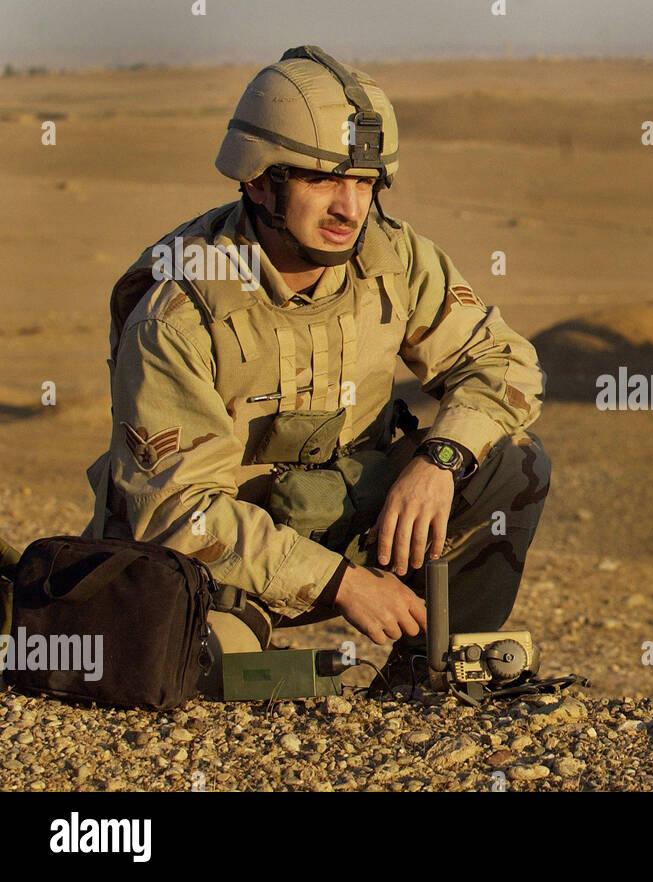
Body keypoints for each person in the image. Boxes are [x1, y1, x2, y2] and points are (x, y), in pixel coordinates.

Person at [82, 46, 549, 694]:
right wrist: (340, 584)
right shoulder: (179, 310)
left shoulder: (394, 257)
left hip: (350, 515)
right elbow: (178, 510)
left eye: (364, 183)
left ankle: (430, 677)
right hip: (222, 561)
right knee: (199, 669)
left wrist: (441, 458)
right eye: (321, 179)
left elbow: (504, 363)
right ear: (257, 180)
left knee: (509, 460)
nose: (348, 208)